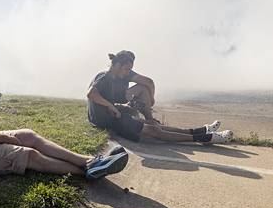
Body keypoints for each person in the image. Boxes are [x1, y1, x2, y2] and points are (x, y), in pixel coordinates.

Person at [0, 36, 127, 179]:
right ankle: (87, 171)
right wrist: (4, 138)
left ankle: (89, 161)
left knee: (28, 136)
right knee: (28, 155)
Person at [87, 51, 233, 144]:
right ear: (117, 65)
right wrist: (111, 106)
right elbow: (91, 93)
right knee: (153, 131)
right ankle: (207, 138)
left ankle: (201, 130)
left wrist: (147, 100)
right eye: (126, 69)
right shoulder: (104, 76)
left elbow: (148, 82)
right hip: (105, 120)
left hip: (113, 113)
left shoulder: (121, 74)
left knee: (154, 125)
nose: (127, 73)